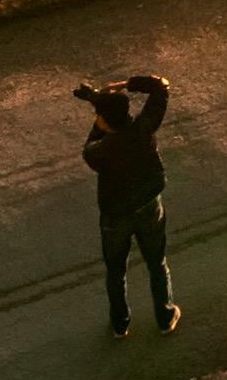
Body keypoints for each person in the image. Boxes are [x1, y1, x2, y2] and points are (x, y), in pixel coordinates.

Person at [74, 73, 177, 339]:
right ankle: (165, 317)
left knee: (116, 271)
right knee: (157, 263)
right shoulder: (144, 127)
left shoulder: (99, 152)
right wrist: (124, 85)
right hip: (148, 206)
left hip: (115, 217)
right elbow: (160, 87)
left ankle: (120, 324)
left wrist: (97, 107)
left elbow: (91, 143)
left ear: (104, 121)